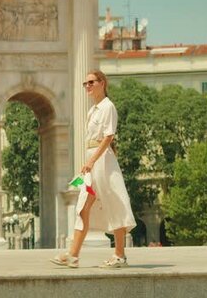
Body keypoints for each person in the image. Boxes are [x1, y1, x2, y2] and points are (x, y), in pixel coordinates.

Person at [50, 70, 136, 269]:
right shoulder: (93, 110)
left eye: (91, 82)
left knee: (114, 203)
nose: (87, 86)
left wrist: (92, 161)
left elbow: (108, 137)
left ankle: (119, 255)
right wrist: (87, 164)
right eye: (85, 83)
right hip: (92, 161)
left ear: (102, 83)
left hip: (103, 162)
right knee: (82, 207)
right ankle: (73, 255)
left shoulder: (108, 107)